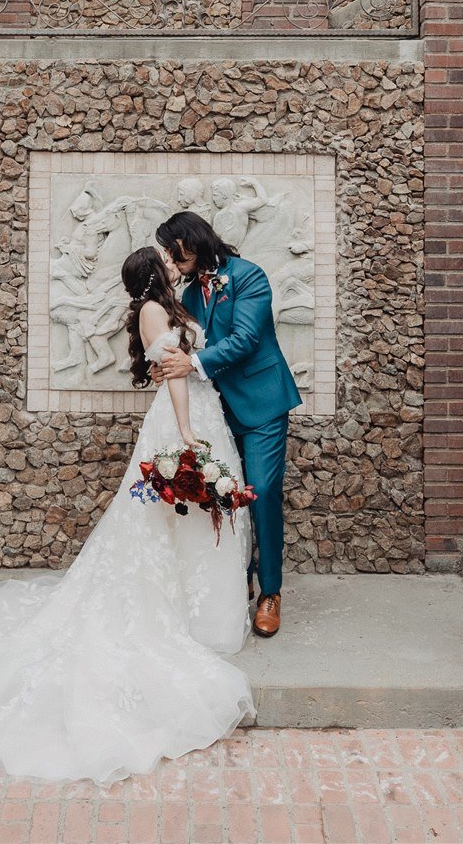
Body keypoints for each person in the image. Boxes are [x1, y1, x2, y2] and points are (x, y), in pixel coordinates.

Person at [0, 245, 255, 782]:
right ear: (153, 273)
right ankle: (179, 615)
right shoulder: (154, 310)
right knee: (168, 517)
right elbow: (170, 374)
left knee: (194, 518)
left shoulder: (172, 305)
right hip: (182, 417)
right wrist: (187, 430)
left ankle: (202, 614)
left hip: (201, 407)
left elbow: (186, 362)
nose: (175, 263)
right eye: (165, 261)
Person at [152, 210, 302, 639]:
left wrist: (192, 362)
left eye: (172, 247)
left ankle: (270, 591)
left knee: (263, 491)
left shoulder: (250, 276)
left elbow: (246, 339)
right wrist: (167, 365)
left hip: (262, 404)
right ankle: (238, 580)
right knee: (219, 494)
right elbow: (183, 340)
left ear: (191, 243)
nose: (169, 255)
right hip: (215, 410)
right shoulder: (190, 292)